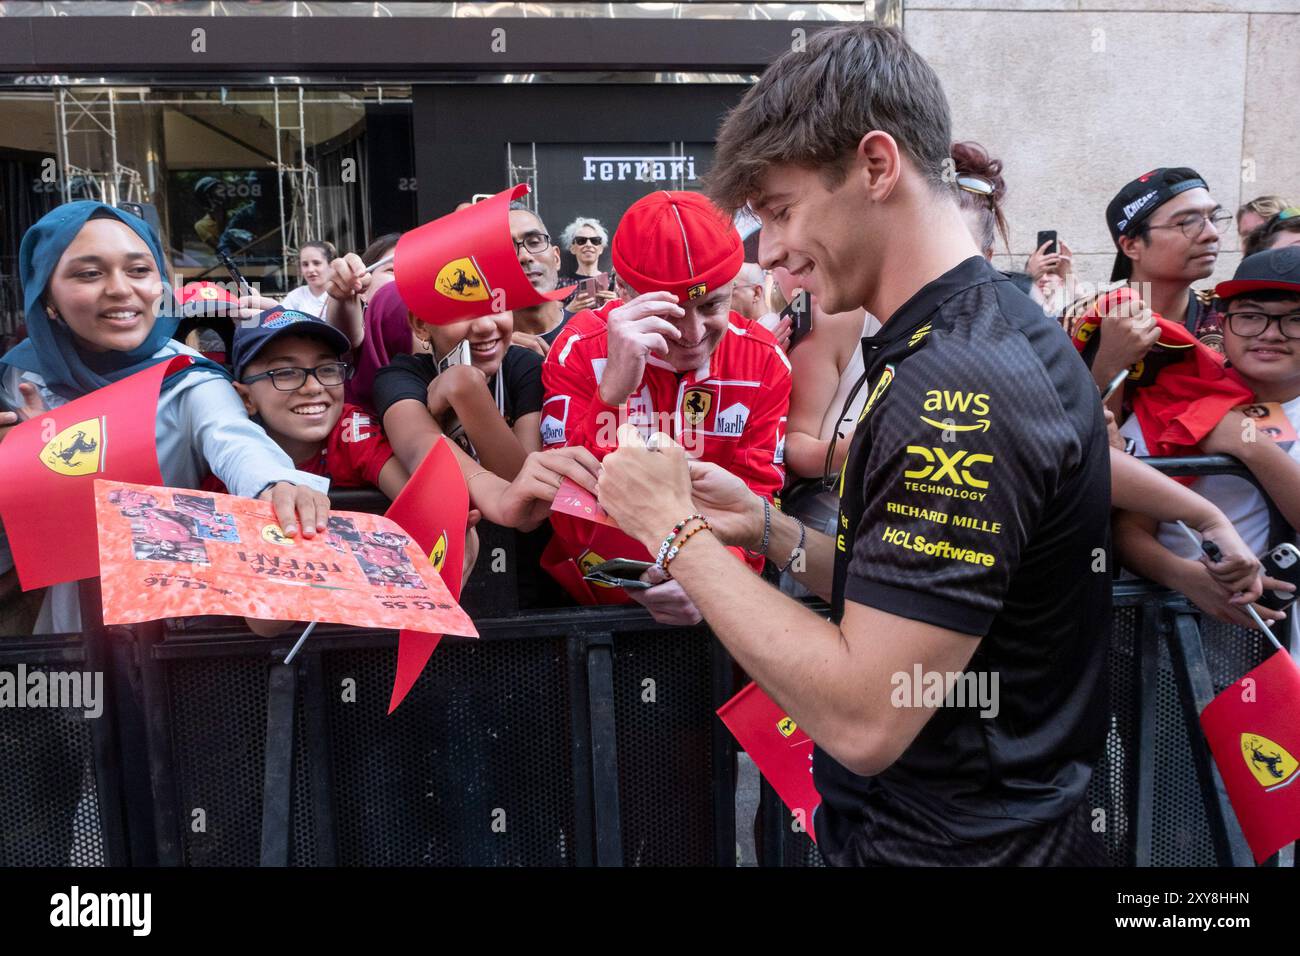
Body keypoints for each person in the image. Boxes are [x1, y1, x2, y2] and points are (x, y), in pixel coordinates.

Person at [594, 23, 1161, 866]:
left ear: (876, 165)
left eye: (782, 211)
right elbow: (927, 605)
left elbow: (869, 711)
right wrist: (766, 526)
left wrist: (674, 531)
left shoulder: (956, 384)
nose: (772, 251)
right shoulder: (974, 335)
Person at [0, 202, 331, 633]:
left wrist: (277, 484)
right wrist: (21, 465)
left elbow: (232, 438)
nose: (120, 290)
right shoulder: (18, 378)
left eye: (139, 270)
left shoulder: (185, 377)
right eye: (88, 273)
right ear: (46, 296)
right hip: (66, 633)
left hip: (168, 638)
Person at [543, 189, 791, 625]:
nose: (692, 334)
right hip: (599, 605)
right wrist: (613, 392)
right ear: (622, 291)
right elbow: (570, 505)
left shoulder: (765, 360)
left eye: (712, 305)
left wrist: (711, 577)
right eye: (671, 313)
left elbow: (756, 509)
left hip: (720, 608)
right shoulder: (578, 349)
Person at [1115, 247, 1300, 646]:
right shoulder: (1175, 399)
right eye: (1250, 316)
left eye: (1295, 319)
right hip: (1169, 640)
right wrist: (1186, 578)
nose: (1271, 333)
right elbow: (1129, 529)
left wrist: (1247, 445)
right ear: (1225, 324)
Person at [372, 305, 542, 482]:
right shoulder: (399, 379)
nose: (486, 326)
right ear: (421, 324)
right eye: (461, 311)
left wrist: (468, 389)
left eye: (497, 305)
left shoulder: (527, 367)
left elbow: (528, 489)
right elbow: (430, 468)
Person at [507, 202, 573, 356]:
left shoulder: (595, 336)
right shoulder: (483, 355)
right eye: (508, 248)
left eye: (535, 242)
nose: (524, 256)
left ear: (556, 258)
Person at [558, 217, 617, 314]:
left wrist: (617, 303)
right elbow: (552, 323)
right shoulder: (561, 285)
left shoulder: (614, 283)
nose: (589, 245)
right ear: (572, 248)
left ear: (601, 248)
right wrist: (568, 310)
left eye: (595, 241)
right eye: (581, 240)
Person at [280, 241, 337, 318]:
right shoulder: (294, 297)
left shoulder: (340, 295)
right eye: (305, 264)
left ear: (330, 264)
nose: (310, 269)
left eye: (316, 263)